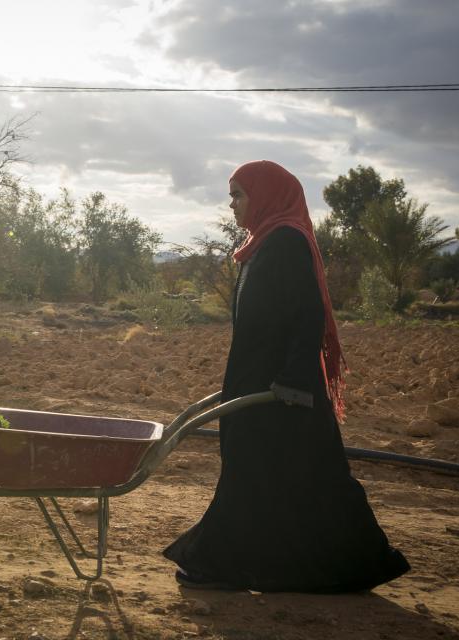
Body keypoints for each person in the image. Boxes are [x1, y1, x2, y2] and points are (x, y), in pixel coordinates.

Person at [163, 160, 409, 593]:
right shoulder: (261, 244)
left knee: (296, 475)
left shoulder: (287, 243)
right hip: (257, 382)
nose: (233, 204)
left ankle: (218, 563)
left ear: (267, 195)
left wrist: (292, 384)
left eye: (239, 194)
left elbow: (307, 314)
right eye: (231, 195)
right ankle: (315, 565)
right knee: (274, 475)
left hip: (284, 392)